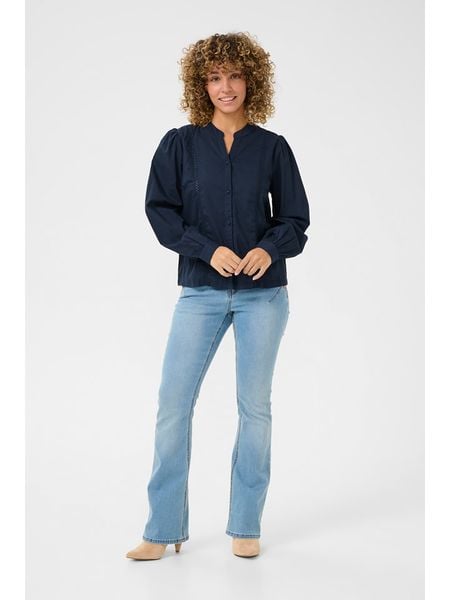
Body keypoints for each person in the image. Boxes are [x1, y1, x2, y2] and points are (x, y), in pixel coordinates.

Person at [126, 31, 310, 560]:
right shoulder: (179, 145)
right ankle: (162, 531)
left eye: (233, 76)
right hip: (200, 293)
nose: (224, 87)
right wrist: (207, 250)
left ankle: (246, 525)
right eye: (213, 77)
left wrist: (268, 249)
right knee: (172, 405)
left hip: (262, 297)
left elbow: (295, 219)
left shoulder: (273, 148)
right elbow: (161, 212)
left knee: (255, 409)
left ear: (252, 81)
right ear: (200, 84)